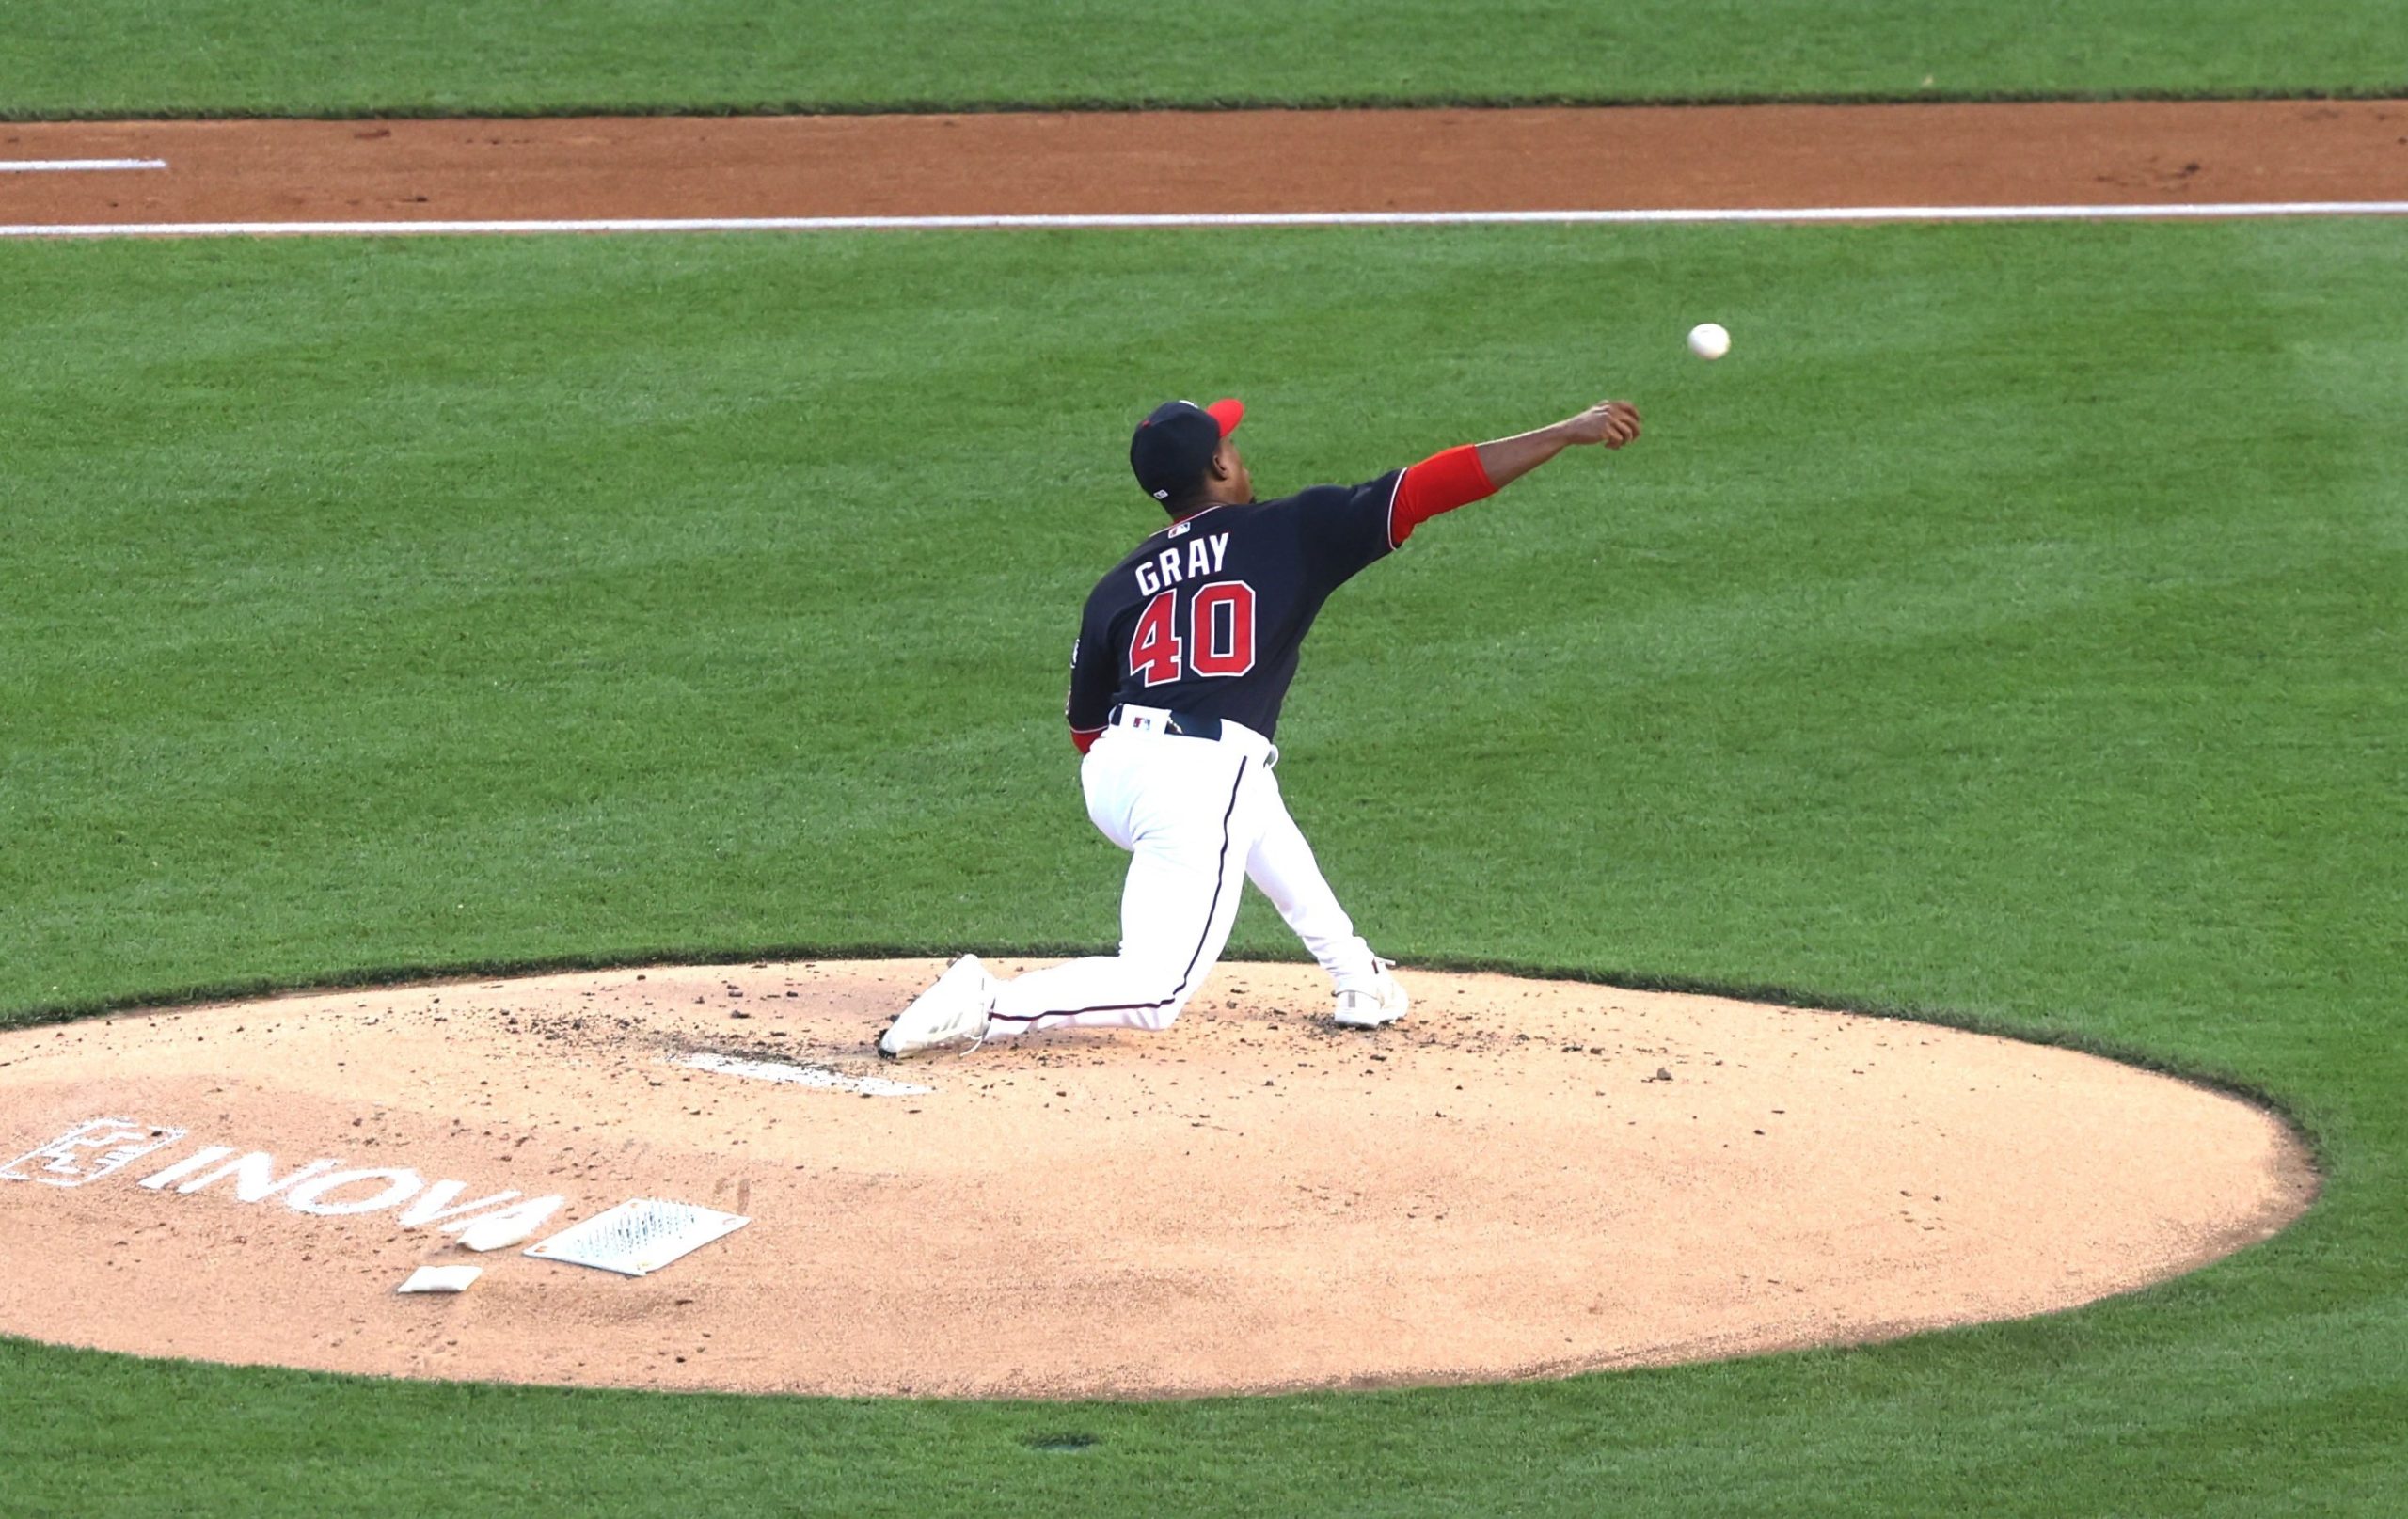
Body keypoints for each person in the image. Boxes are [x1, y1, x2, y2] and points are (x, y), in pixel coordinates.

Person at [878, 393, 1643, 1058]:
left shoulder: (1116, 582)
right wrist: (1564, 431)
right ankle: (988, 1003)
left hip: (1114, 775)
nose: (1243, 457)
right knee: (1158, 987)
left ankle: (1358, 977)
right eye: (1232, 446)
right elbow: (1426, 488)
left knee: (1249, 790)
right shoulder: (1289, 529)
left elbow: (1085, 725)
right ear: (1216, 469)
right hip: (1190, 781)